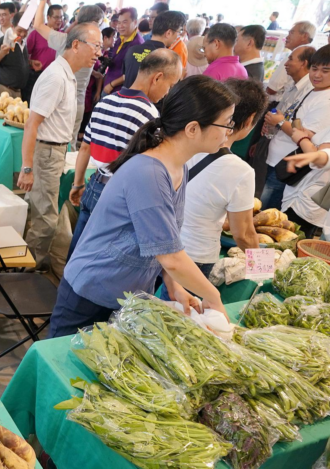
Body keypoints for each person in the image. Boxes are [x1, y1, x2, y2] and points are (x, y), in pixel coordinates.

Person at [49, 75, 236, 338]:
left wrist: (176, 287)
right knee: (62, 368)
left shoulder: (178, 165)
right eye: (226, 123)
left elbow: (164, 242)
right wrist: (213, 296)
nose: (229, 131)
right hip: (91, 291)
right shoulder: (148, 172)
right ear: (193, 129)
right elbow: (171, 258)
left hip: (125, 295)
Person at [68, 49, 182, 259]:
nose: (167, 93)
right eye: (171, 86)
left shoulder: (105, 101)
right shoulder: (149, 114)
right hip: (118, 195)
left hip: (94, 185)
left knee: (78, 247)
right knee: (99, 255)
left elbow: (85, 147)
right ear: (158, 78)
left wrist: (77, 184)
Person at [17, 23, 103, 271]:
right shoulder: (56, 76)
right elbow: (31, 125)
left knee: (44, 214)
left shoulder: (67, 74)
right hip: (46, 154)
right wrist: (27, 167)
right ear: (76, 45)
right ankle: (25, 274)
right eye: (95, 46)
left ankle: (30, 265)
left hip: (55, 151)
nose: (98, 52)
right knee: (46, 220)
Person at [176, 78, 266, 289]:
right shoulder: (240, 171)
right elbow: (243, 233)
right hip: (195, 256)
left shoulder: (186, 140)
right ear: (250, 119)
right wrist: (264, 270)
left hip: (163, 246)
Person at [32, 0, 106, 147]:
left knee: (51, 143)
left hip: (58, 102)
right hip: (76, 102)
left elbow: (37, 24)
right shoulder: (91, 46)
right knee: (68, 145)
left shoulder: (65, 40)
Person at [263, 45, 330, 210]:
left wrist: (280, 122)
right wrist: (282, 119)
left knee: (267, 213)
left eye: (325, 71)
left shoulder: (326, 100)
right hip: (280, 160)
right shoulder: (315, 91)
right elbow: (299, 125)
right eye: (314, 69)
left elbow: (306, 138)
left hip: (291, 165)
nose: (317, 75)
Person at [122, 11, 186, 91]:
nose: (178, 36)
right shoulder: (169, 60)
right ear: (168, 33)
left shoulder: (132, 50)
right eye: (179, 31)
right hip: (147, 102)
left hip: (126, 99)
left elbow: (125, 77)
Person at [282, 133, 330, 239]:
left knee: (292, 242)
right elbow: (326, 156)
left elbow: (324, 157)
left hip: (308, 200)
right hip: (302, 195)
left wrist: (303, 140)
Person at [266, 21, 317, 100]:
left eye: (291, 33)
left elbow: (272, 89)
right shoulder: (311, 54)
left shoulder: (295, 56)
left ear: (304, 36)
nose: (287, 37)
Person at [22, 4, 62, 102]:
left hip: (53, 78)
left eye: (61, 17)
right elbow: (23, 56)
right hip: (36, 75)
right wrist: (31, 62)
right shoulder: (35, 33)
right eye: (56, 17)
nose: (59, 20)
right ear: (48, 17)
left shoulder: (62, 36)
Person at [101, 7, 143, 96]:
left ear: (135, 22)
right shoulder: (121, 37)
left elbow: (132, 73)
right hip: (108, 83)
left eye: (124, 22)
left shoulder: (138, 45)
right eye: (119, 23)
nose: (120, 26)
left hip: (118, 90)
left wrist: (112, 85)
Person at [0, 14, 29, 99]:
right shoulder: (4, 40)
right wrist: (2, 52)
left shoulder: (23, 43)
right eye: (20, 30)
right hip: (3, 90)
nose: (23, 34)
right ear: (12, 26)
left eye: (26, 31)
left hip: (17, 91)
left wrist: (30, 63)